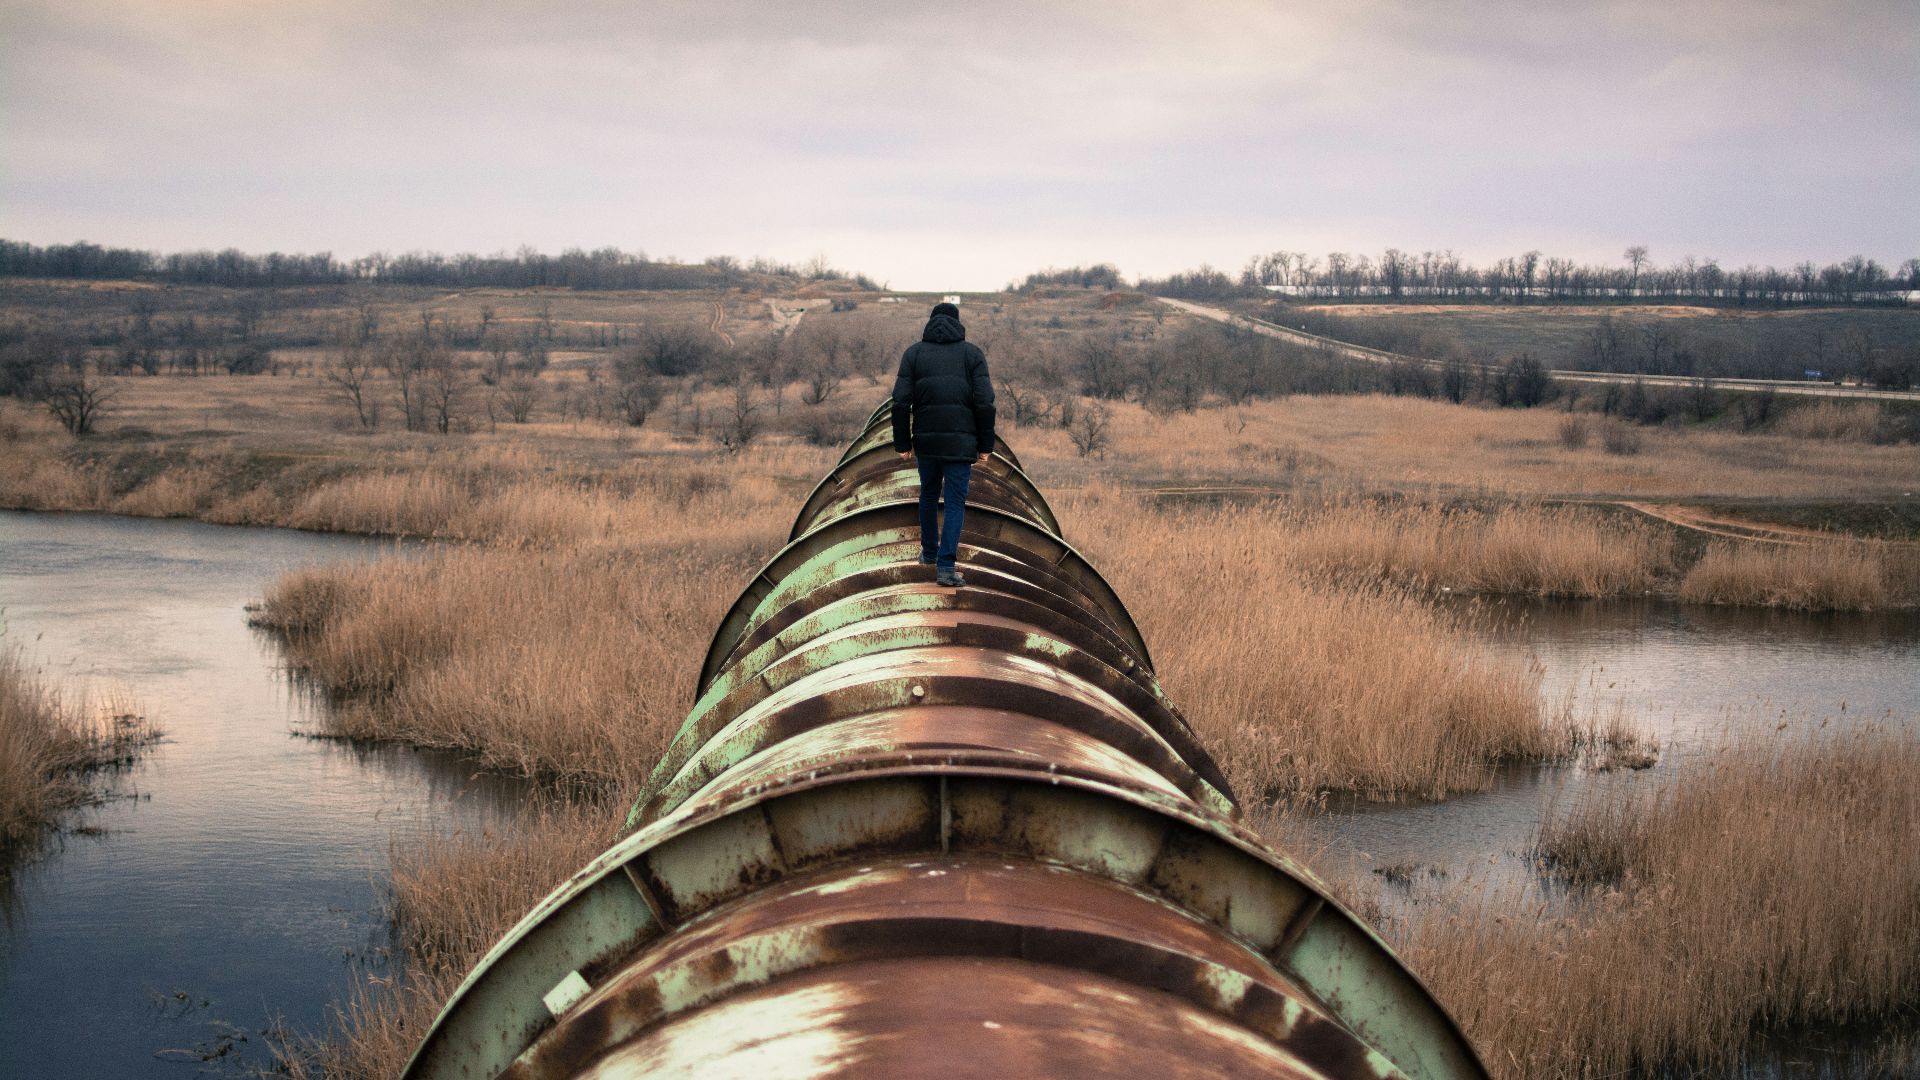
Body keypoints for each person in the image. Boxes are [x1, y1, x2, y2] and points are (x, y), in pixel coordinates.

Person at [892, 301, 995, 587]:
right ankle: (946, 568)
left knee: (928, 494)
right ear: (958, 323)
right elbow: (985, 403)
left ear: (931, 322)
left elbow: (900, 403)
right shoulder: (972, 355)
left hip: (926, 441)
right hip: (961, 444)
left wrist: (902, 443)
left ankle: (929, 553)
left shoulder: (913, 354)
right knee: (954, 502)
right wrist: (986, 445)